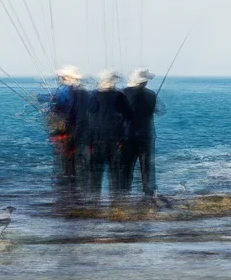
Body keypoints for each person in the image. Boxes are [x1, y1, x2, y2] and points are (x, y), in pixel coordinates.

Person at [87, 69, 130, 197]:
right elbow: (129, 115)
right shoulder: (119, 96)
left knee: (95, 173)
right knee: (115, 172)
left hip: (96, 138)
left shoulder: (93, 95)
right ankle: (116, 200)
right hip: (115, 139)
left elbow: (89, 113)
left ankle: (94, 199)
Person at [44, 66, 83, 189]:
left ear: (66, 78)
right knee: (73, 159)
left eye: (62, 77)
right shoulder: (80, 91)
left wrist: (51, 108)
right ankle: (74, 185)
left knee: (63, 160)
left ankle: (65, 186)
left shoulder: (64, 91)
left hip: (65, 131)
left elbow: (58, 106)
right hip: (78, 131)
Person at [122, 67, 159, 195]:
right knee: (147, 166)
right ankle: (149, 194)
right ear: (145, 81)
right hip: (147, 135)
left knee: (127, 165)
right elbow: (160, 111)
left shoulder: (123, 93)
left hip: (128, 135)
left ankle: (124, 193)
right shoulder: (151, 95)